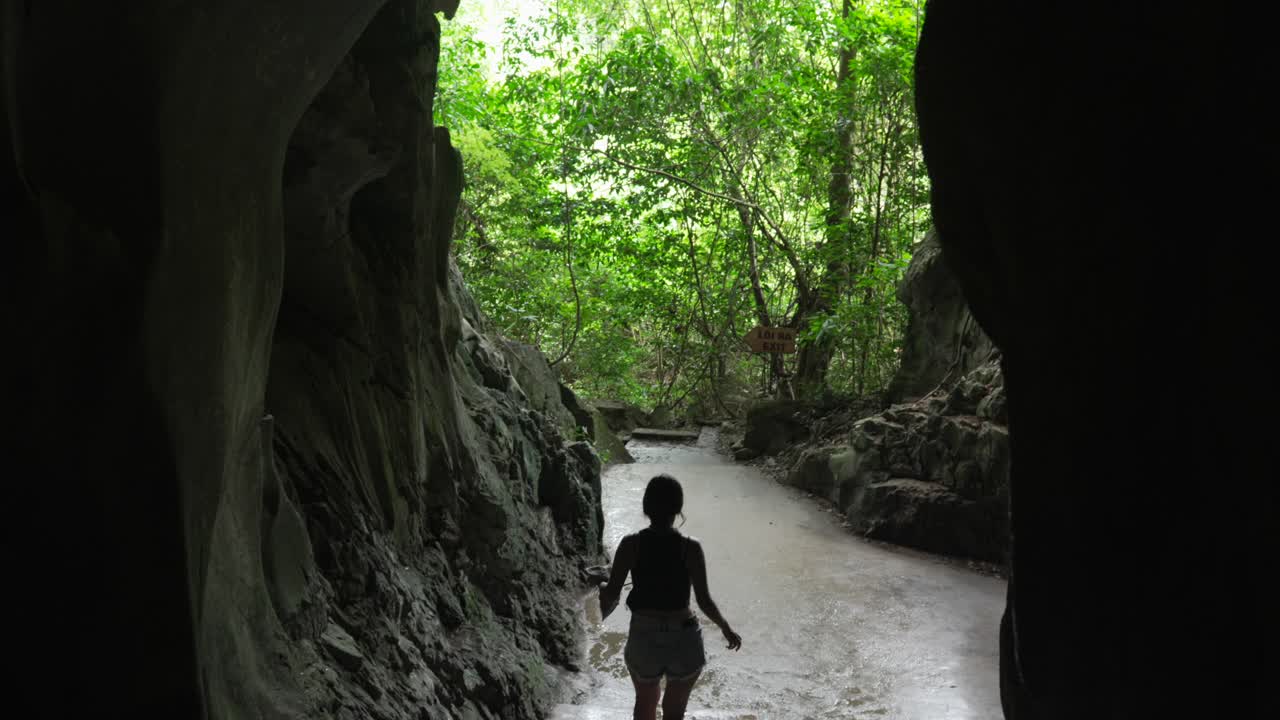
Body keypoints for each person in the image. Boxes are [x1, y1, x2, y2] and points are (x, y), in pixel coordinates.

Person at [598, 473, 742, 720]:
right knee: (674, 711)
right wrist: (726, 628)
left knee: (645, 703)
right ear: (678, 509)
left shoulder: (631, 544)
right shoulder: (690, 547)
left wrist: (601, 586)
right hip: (683, 637)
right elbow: (704, 600)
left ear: (646, 507)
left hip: (644, 635)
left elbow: (611, 595)